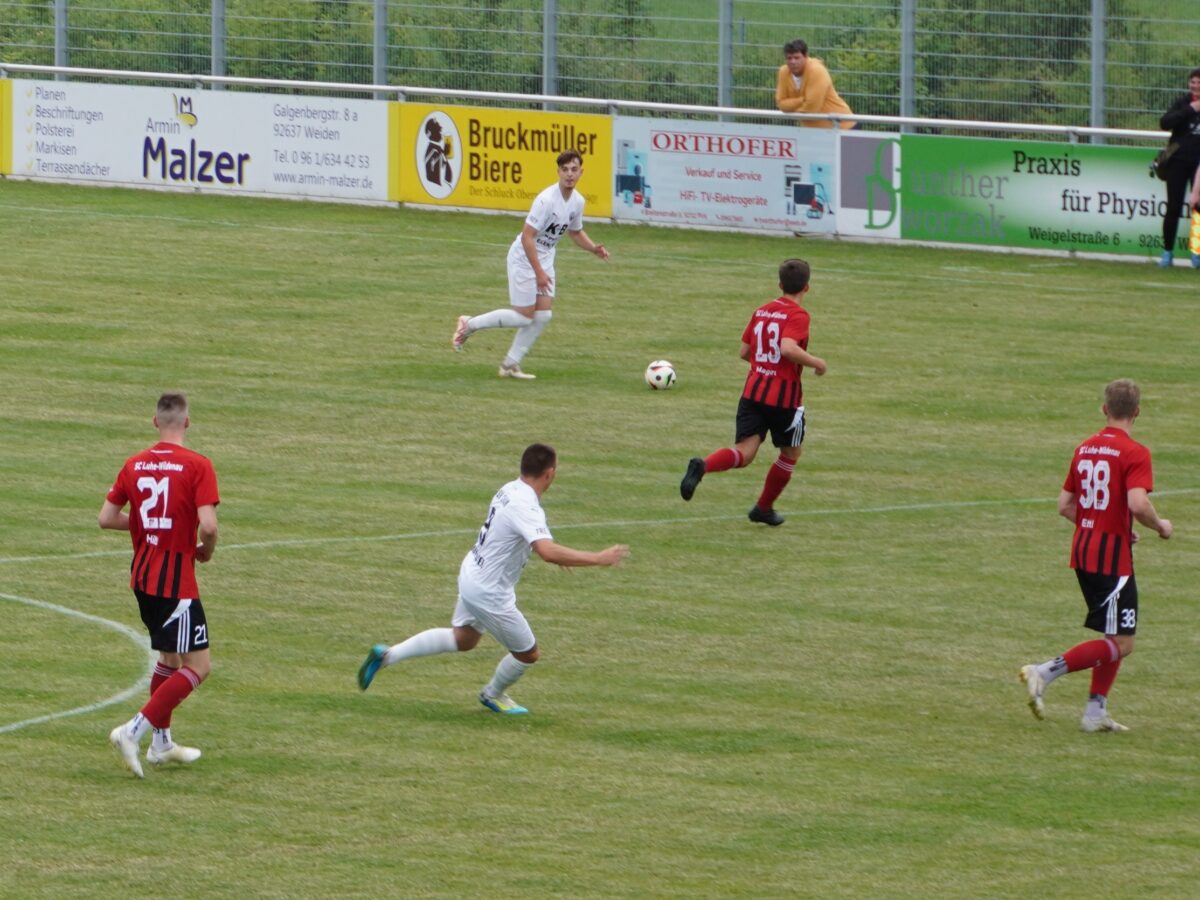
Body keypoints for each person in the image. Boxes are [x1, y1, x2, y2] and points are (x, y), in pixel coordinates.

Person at [357, 443, 628, 714]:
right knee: (528, 653)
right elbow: (546, 551)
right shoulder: (526, 505)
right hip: (489, 591)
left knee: (464, 639)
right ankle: (492, 694)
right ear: (550, 473)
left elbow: (529, 542)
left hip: (472, 573)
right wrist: (598, 558)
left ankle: (387, 655)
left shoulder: (509, 489)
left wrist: (562, 557)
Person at [1020, 380, 1173, 733]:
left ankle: (1094, 713)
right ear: (1137, 412)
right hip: (1112, 560)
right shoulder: (1135, 452)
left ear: (1104, 409)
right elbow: (1138, 504)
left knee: (1113, 632)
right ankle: (1044, 671)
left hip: (1083, 552)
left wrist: (1106, 525)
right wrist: (1160, 526)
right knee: (1123, 642)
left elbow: (1065, 506)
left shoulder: (1084, 448)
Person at [101, 392, 220, 778]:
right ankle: (132, 731)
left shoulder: (134, 464)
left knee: (169, 660)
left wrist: (147, 526)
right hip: (176, 585)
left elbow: (106, 518)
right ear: (187, 422)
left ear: (155, 422)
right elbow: (209, 526)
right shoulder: (198, 465)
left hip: (143, 579)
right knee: (198, 666)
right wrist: (205, 550)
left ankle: (162, 744)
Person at [679, 258, 827, 526]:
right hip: (785, 400)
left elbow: (745, 352)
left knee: (744, 452)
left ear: (779, 284)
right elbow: (787, 348)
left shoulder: (762, 311)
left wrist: (764, 367)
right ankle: (763, 508)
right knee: (790, 453)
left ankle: (704, 465)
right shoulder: (798, 315)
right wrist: (817, 363)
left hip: (753, 393)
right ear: (807, 287)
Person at [451, 149, 610, 379]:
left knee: (543, 315)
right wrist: (539, 272)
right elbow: (527, 237)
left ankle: (510, 364)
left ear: (581, 172)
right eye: (565, 169)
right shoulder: (546, 200)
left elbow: (575, 232)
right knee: (524, 316)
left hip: (544, 258)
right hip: (524, 259)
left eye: (574, 169)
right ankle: (469, 324)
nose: (569, 174)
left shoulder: (577, 201)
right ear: (558, 172)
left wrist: (594, 248)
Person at [1156, 67, 1200, 267]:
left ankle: (1196, 253)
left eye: (1199, 82)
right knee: (1173, 207)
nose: (1195, 86)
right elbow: (1165, 123)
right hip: (1177, 162)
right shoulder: (1182, 103)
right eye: (1193, 82)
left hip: (1198, 165)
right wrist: (1192, 109)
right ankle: (1167, 252)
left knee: (1198, 209)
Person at [774, 39, 855, 129]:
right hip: (813, 129)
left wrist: (792, 109)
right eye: (789, 58)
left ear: (806, 56)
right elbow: (781, 103)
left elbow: (811, 109)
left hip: (843, 126)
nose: (793, 62)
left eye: (797, 58)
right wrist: (802, 100)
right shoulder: (783, 72)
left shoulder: (816, 70)